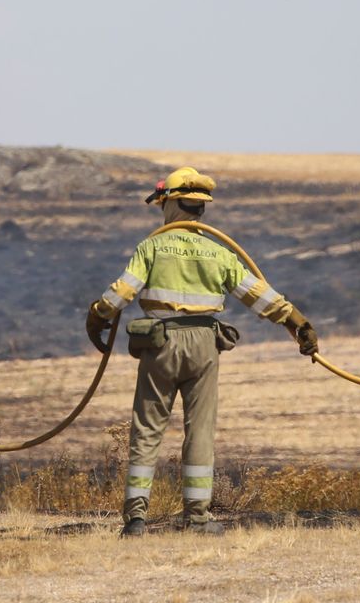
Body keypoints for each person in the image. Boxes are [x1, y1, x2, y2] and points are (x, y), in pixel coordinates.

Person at [85, 167, 319, 537]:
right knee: (200, 431)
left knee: (147, 429)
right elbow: (258, 295)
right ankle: (197, 518)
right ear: (200, 207)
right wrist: (297, 322)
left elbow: (121, 293)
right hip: (205, 345)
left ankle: (136, 520)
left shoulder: (152, 247)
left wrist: (97, 316)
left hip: (160, 344)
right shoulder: (218, 252)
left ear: (170, 203)